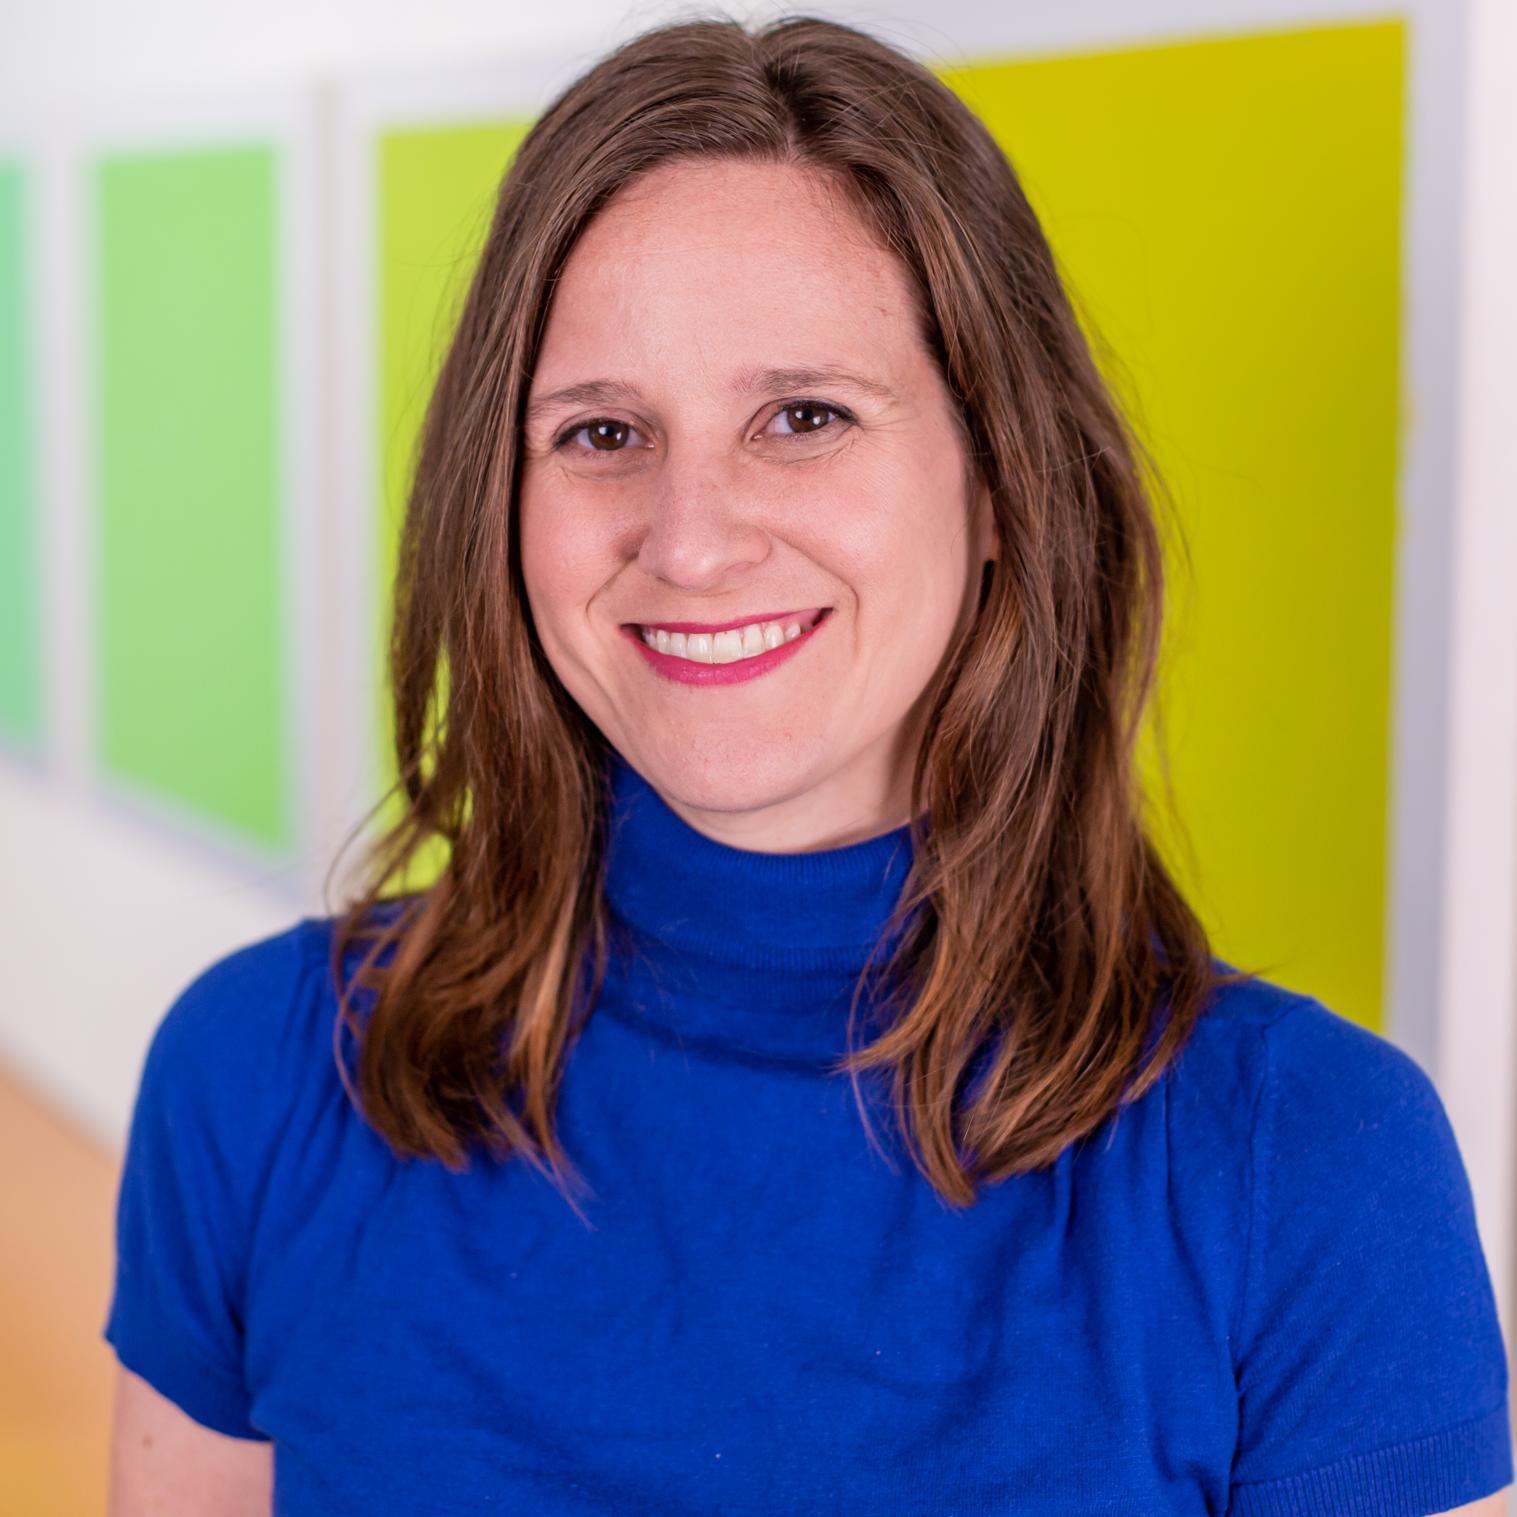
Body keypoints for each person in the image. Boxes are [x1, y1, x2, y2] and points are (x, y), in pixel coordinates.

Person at [104, 14, 1511, 1516]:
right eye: (599, 432)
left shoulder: (1306, 1162)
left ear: (998, 485)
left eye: (804, 415)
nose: (692, 536)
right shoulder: (255, 1078)